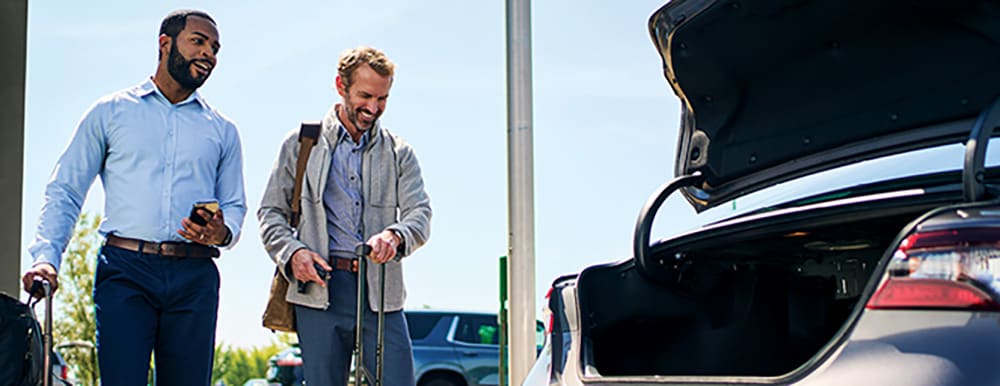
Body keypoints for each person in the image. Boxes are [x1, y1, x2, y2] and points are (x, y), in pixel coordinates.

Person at [21, 9, 246, 386]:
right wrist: (46, 258)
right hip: (125, 271)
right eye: (198, 41)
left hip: (195, 277)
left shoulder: (223, 130)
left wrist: (221, 233)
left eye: (215, 48)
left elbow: (235, 204)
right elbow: (66, 189)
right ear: (165, 44)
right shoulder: (110, 112)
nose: (208, 53)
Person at [259, 45, 432, 386]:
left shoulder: (399, 152)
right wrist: (293, 253)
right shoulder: (301, 144)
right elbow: (270, 213)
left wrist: (395, 236)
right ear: (341, 86)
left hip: (380, 293)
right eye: (365, 96)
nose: (373, 108)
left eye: (382, 99)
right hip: (319, 290)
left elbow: (420, 214)